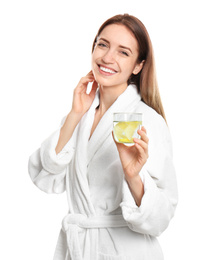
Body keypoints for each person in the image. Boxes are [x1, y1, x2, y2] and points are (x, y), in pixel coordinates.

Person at [28, 14, 178, 260]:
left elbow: (161, 217)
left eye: (123, 52)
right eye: (103, 44)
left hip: (126, 252)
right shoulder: (80, 117)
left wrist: (133, 176)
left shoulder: (147, 120)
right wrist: (75, 114)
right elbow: (44, 178)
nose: (107, 58)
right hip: (77, 249)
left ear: (138, 66)